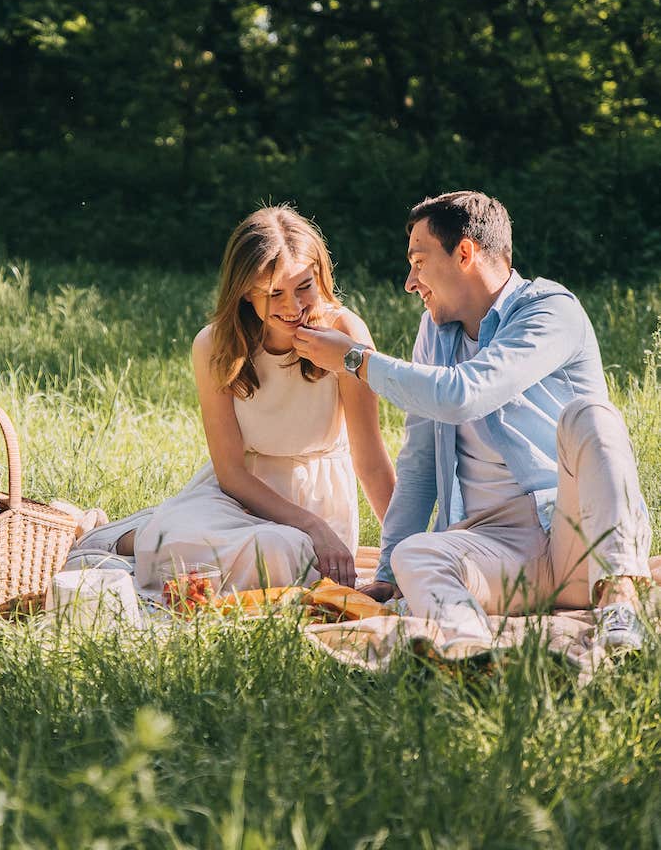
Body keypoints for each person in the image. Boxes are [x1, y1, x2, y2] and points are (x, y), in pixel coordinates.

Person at [293, 190, 652, 653]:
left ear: (464, 253)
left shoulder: (550, 311)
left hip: (575, 534)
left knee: (593, 417)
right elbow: (420, 463)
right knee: (413, 555)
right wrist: (385, 575)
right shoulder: (433, 332)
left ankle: (618, 600)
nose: (409, 281)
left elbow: (466, 394)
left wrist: (357, 361)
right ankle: (474, 650)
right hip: (497, 552)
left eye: (419, 261)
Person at [65, 204, 396, 591]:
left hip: (317, 503)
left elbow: (370, 460)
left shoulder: (345, 335)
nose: (294, 307)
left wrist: (399, 553)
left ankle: (158, 529)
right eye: (275, 293)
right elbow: (231, 473)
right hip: (238, 496)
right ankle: (128, 536)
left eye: (304, 286)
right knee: (228, 547)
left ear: (320, 276)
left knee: (283, 554)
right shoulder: (215, 345)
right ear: (245, 294)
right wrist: (313, 527)